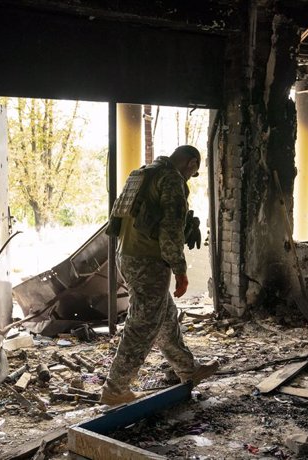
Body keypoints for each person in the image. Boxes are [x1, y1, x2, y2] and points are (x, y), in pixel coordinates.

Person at [100, 145, 218, 405]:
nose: (190, 178)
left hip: (127, 255)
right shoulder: (172, 179)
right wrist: (180, 269)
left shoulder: (141, 174)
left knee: (164, 315)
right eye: (193, 172)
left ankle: (188, 369)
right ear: (190, 163)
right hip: (149, 261)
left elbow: (119, 219)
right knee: (142, 325)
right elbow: (170, 230)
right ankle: (115, 389)